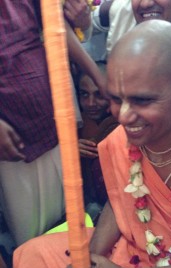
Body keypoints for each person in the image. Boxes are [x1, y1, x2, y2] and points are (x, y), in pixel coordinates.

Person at [13, 20, 171, 268]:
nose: (123, 116)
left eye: (142, 100)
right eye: (115, 98)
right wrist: (89, 261)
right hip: (131, 252)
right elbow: (122, 202)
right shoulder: (122, 139)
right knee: (33, 256)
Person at [0, 0, 105, 247]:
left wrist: (99, 79)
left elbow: (55, 27)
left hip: (54, 114)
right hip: (13, 134)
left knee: (69, 215)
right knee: (30, 233)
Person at [77, 62, 118, 223]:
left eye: (99, 95)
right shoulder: (73, 125)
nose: (91, 103)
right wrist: (68, 151)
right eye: (84, 94)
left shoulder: (129, 123)